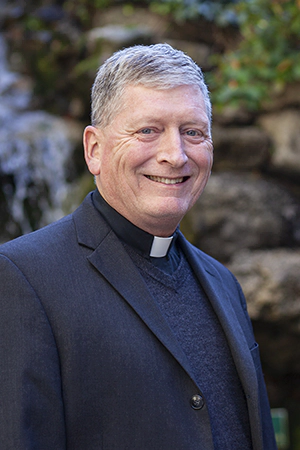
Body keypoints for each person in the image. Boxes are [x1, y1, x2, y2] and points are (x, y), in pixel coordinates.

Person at [0, 43, 277, 450]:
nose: (175, 155)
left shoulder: (224, 283)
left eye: (192, 132)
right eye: (148, 130)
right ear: (94, 149)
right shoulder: (22, 278)